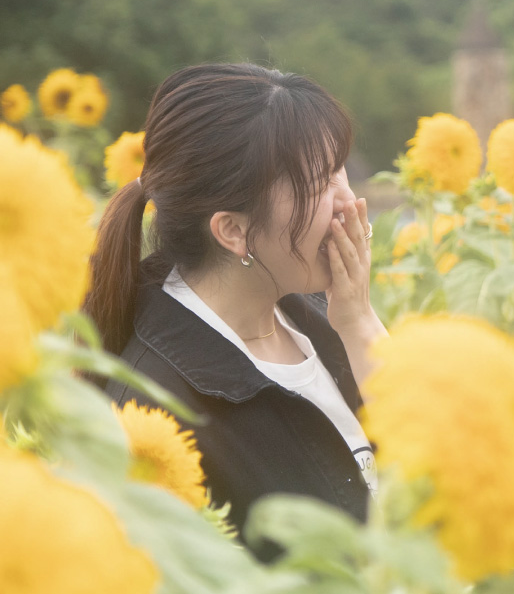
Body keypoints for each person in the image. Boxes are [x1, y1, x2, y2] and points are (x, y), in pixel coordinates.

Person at [83, 63, 386, 553]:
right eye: (318, 185)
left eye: (339, 171)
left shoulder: (321, 316)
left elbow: (435, 479)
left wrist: (361, 324)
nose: (349, 203)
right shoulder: (157, 419)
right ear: (233, 231)